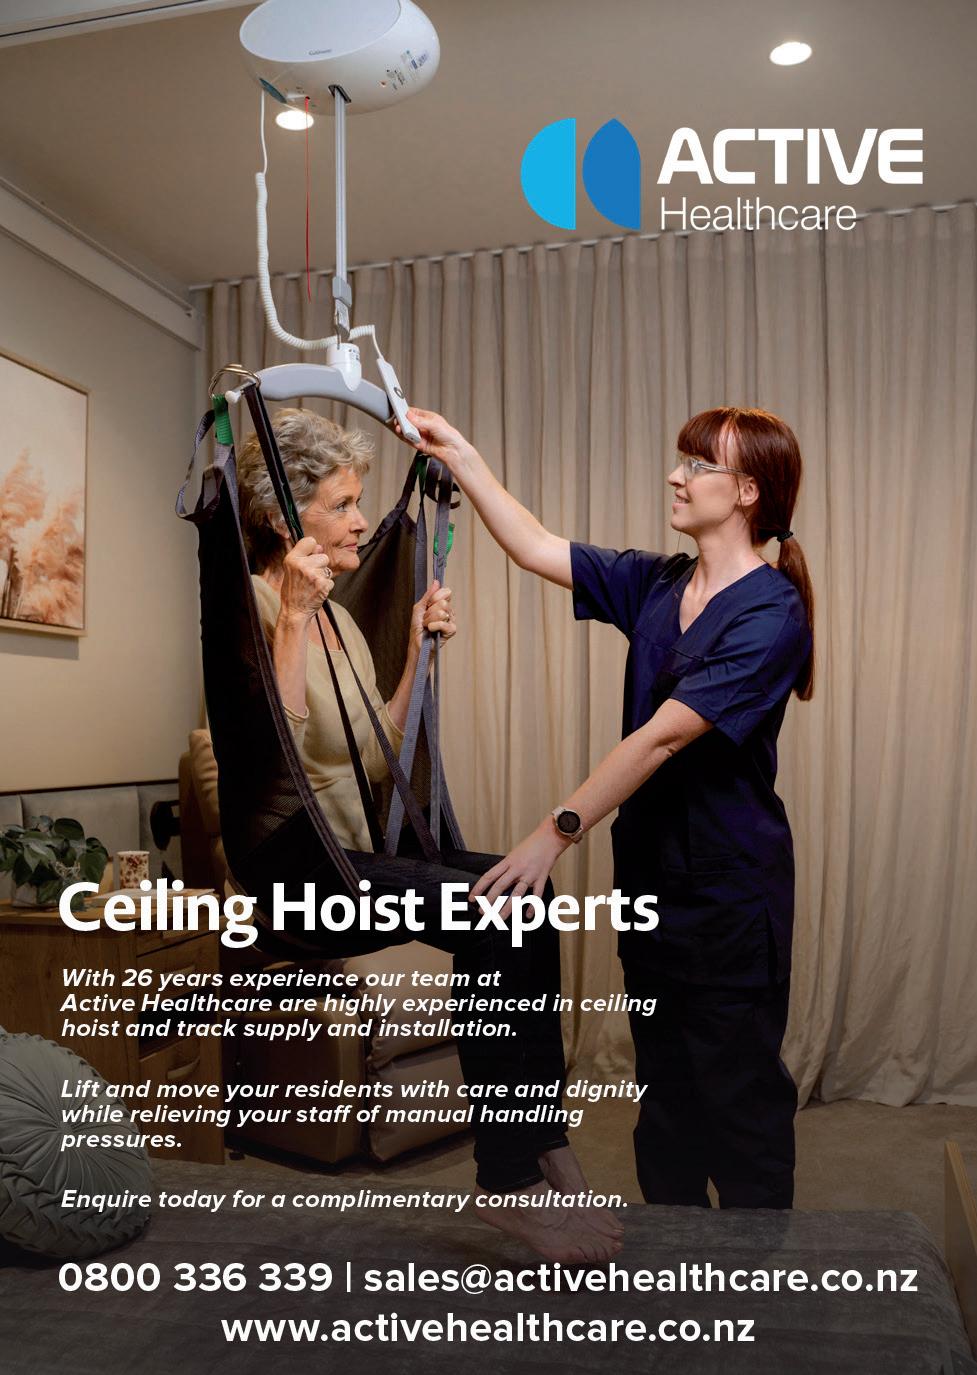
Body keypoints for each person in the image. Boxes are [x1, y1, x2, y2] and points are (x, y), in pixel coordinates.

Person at [401, 403, 815, 1210]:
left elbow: (662, 738)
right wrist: (461, 454)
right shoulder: (656, 582)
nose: (674, 476)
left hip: (730, 895)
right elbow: (533, 545)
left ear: (746, 492)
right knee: (664, 1101)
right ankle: (672, 1264)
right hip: (652, 882)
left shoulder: (771, 613)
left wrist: (553, 833)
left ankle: (756, 1276)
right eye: (680, 460)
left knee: (738, 1103)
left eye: (696, 465)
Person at [235, 408, 623, 1260]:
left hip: (358, 859)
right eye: (340, 505)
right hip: (301, 876)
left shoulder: (337, 618)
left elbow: (377, 750)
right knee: (492, 916)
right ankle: (508, 1180)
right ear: (281, 518)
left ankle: (538, 1134)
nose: (359, 521)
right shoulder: (255, 609)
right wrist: (291, 618)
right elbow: (273, 757)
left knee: (524, 894)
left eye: (358, 502)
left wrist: (413, 650)